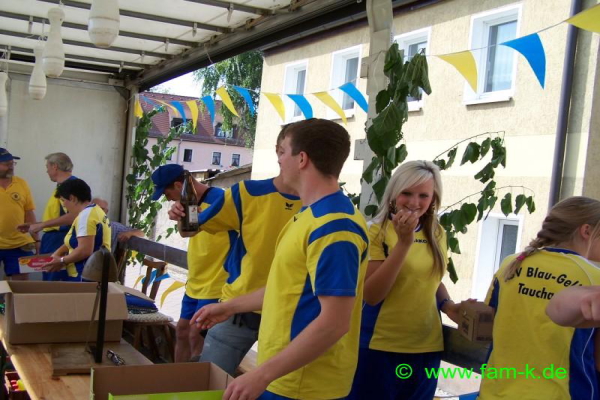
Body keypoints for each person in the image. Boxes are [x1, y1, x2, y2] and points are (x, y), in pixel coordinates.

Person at [193, 118, 369, 400]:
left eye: (283, 151)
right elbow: (287, 288)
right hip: (286, 377)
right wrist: (229, 307)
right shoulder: (311, 215)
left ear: (302, 159)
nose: (279, 160)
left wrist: (261, 375)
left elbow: (335, 323)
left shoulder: (334, 228)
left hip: (304, 385)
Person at [168, 131, 302, 374]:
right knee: (209, 379)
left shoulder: (321, 206)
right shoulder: (247, 193)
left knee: (276, 385)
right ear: (278, 151)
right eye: (283, 151)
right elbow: (189, 229)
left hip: (290, 314)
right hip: (238, 310)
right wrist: (180, 213)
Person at [348, 160, 461, 400]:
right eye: (406, 193)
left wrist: (448, 305)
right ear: (393, 194)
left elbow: (430, 279)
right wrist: (404, 243)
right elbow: (372, 295)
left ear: (433, 199)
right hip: (379, 347)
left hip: (427, 347)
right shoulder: (374, 231)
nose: (414, 202)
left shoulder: (438, 233)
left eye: (423, 195)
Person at [479, 196, 600, 400]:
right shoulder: (594, 279)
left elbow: (490, 322)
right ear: (586, 231)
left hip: (495, 391)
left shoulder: (512, 263)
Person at [150, 164, 236, 363]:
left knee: (196, 335)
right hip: (196, 281)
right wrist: (179, 216)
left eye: (167, 194)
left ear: (178, 185)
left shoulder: (221, 200)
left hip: (217, 283)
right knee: (181, 330)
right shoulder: (187, 203)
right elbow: (185, 232)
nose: (168, 199)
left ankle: (196, 380)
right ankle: (178, 377)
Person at [18, 152, 77, 281]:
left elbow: (75, 216)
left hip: (61, 239)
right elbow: (60, 217)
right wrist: (36, 224)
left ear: (55, 167)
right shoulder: (62, 186)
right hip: (54, 238)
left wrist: (43, 225)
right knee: (49, 280)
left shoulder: (70, 186)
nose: (47, 171)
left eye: (47, 167)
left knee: (55, 282)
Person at [42, 178, 111, 281]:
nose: (64, 205)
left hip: (85, 275)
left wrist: (62, 261)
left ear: (72, 198)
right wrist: (57, 254)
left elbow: (84, 250)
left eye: (63, 200)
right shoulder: (95, 211)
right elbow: (77, 241)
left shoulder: (86, 216)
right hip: (92, 273)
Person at [0, 148, 38, 280]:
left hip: (19, 244)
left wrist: (36, 239)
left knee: (21, 286)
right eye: (6, 164)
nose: (11, 167)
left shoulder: (21, 183)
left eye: (12, 163)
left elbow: (29, 212)